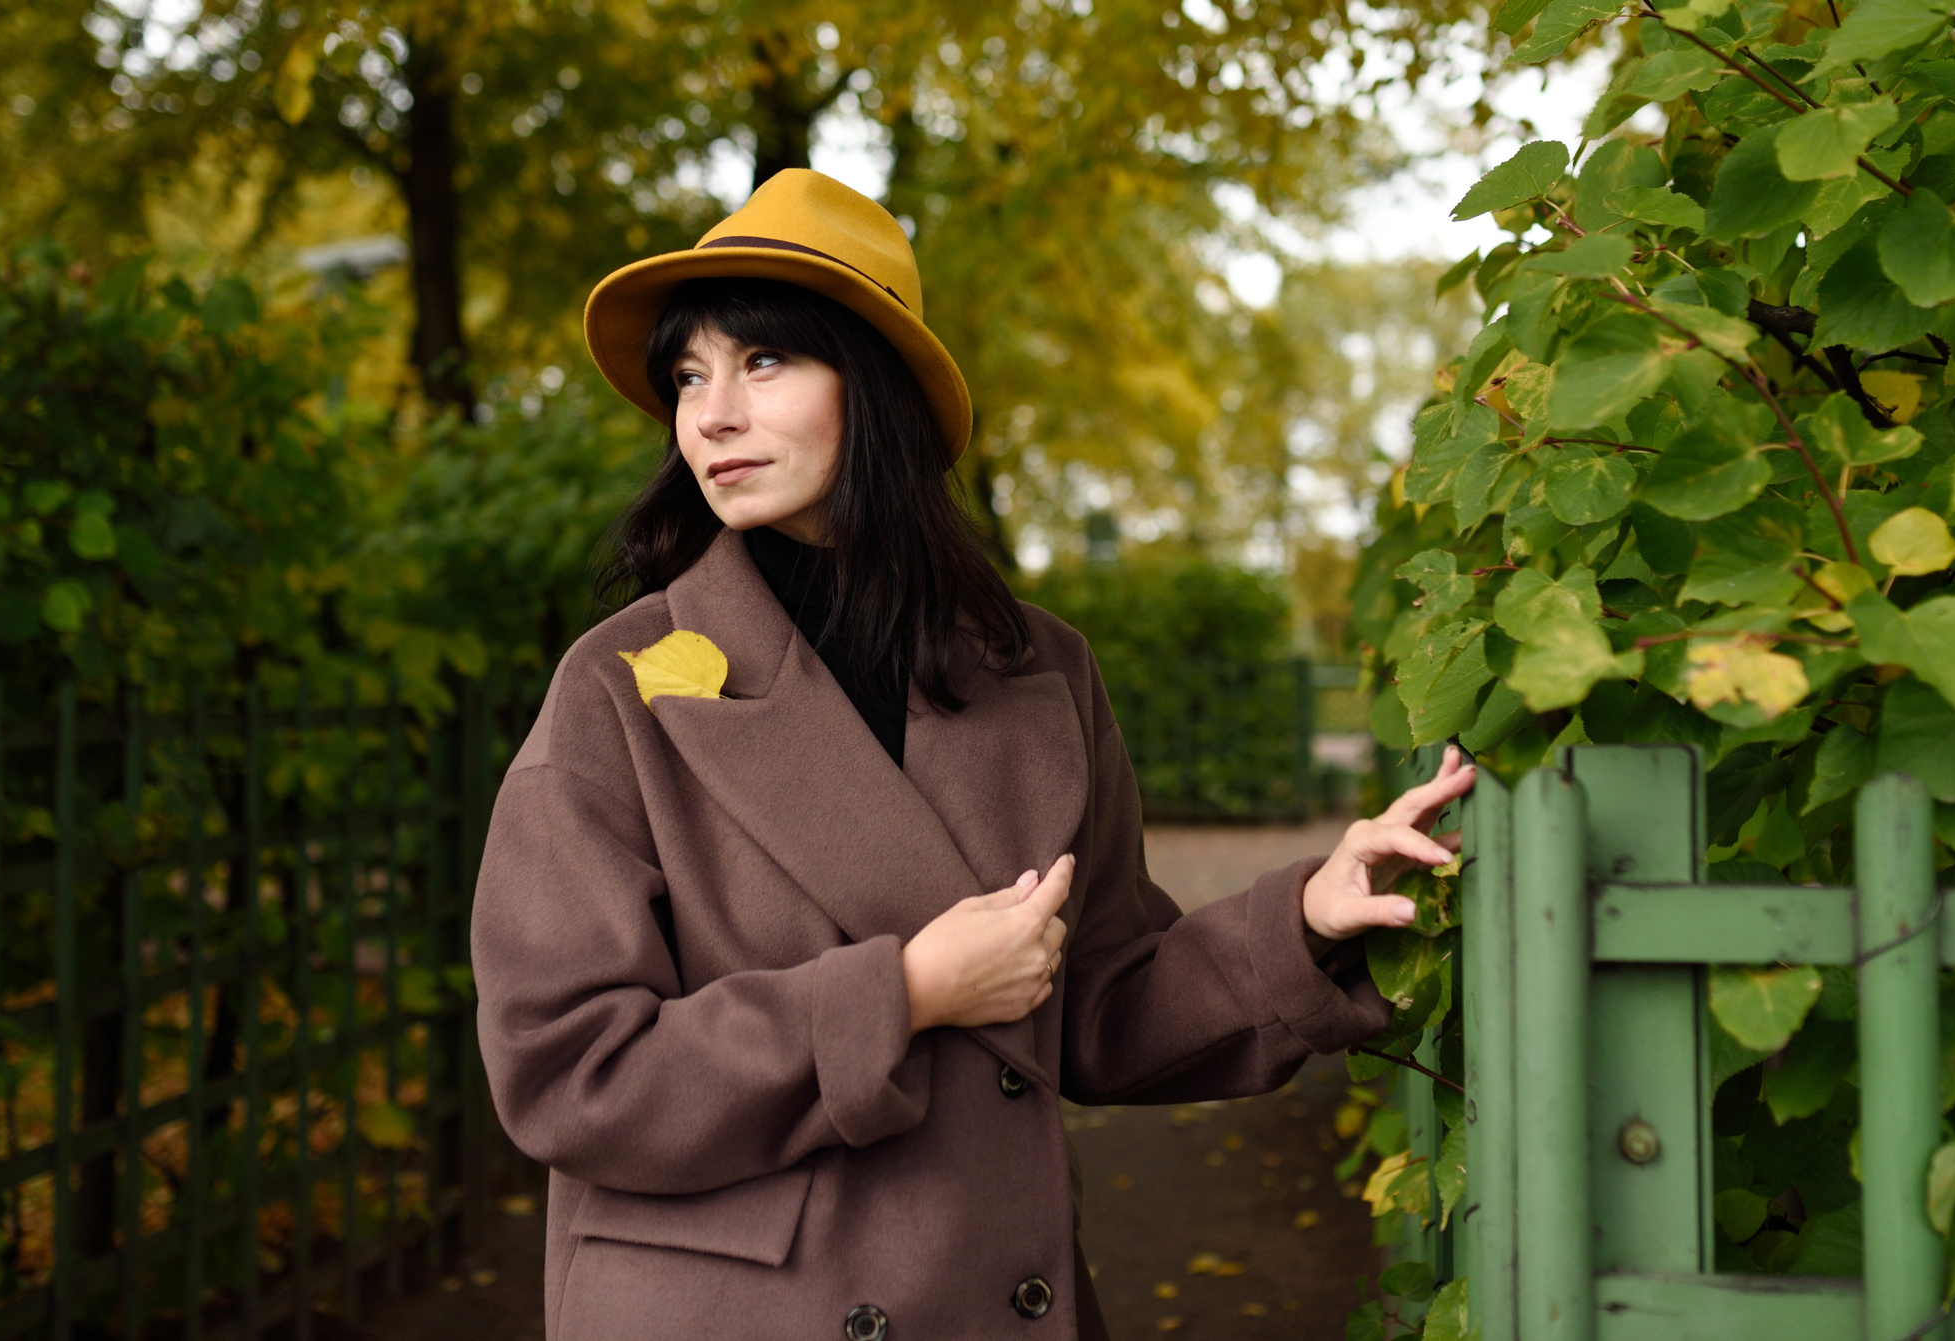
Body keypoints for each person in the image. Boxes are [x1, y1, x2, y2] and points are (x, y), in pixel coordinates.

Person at [471, 169, 1474, 1340]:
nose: (711, 413)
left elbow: (1094, 999)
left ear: (878, 387)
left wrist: (1307, 908)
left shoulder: (1031, 669)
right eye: (689, 374)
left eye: (764, 362)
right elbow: (565, 1069)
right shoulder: (620, 684)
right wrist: (898, 994)